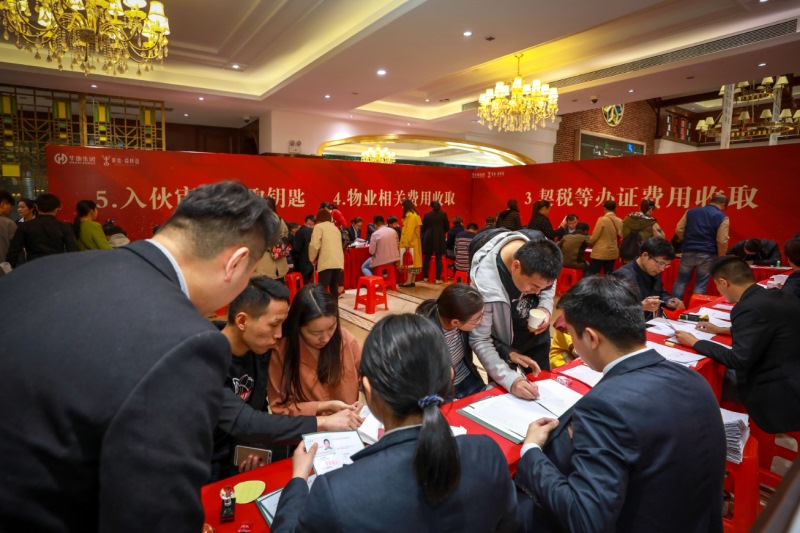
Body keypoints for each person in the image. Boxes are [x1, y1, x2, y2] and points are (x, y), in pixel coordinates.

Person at [0, 181, 279, 532]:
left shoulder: (37, 272)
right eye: (252, 272)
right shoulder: (186, 341)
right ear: (236, 263)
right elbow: (153, 514)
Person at [515, 276, 727, 533]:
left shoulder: (604, 406)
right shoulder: (693, 378)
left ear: (591, 338)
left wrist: (532, 451)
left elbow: (585, 521)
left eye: (571, 335)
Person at [272, 314, 518, 532]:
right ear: (447, 378)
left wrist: (298, 480)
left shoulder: (335, 492)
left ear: (368, 389)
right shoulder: (487, 452)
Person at [211, 277, 361, 480]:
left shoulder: (260, 350)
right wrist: (324, 421)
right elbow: (248, 421)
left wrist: (256, 449)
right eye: (274, 324)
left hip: (246, 450)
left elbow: (259, 414)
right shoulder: (206, 362)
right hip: (206, 460)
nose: (279, 334)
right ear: (242, 321)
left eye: (283, 323)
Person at [675, 257, 800, 434]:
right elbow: (766, 327)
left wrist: (695, 342)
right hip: (792, 372)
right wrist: (720, 330)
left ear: (723, 282)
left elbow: (737, 360)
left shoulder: (747, 308)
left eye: (717, 286)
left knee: (706, 382)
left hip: (774, 389)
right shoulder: (779, 296)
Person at [470, 233, 562, 398]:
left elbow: (548, 284)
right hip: (500, 349)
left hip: (536, 339)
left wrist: (545, 307)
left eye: (542, 288)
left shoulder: (542, 249)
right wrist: (511, 380)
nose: (537, 292)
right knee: (507, 398)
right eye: (533, 286)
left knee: (543, 393)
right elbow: (480, 339)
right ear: (515, 266)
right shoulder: (485, 287)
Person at [268, 284, 361, 416]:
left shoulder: (345, 339)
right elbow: (280, 408)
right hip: (307, 428)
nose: (326, 338)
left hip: (349, 424)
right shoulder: (281, 351)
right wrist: (322, 407)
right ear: (297, 326)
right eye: (315, 333)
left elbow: (367, 377)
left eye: (332, 327)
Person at [416, 284, 487, 398]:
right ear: (455, 322)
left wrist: (507, 352)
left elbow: (486, 338)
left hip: (466, 375)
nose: (481, 320)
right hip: (441, 386)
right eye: (477, 318)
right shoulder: (425, 335)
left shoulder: (459, 317)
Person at [671, 194, 730, 301]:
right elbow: (722, 240)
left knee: (681, 281)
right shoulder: (722, 217)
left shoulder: (690, 212)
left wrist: (688, 240)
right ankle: (694, 308)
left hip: (688, 251)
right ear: (723, 204)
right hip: (707, 254)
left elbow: (679, 229)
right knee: (700, 284)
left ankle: (673, 305)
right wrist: (721, 256)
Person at [611, 237, 684, 319]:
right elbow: (612, 309)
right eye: (660, 263)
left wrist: (669, 301)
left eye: (666, 265)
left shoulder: (653, 270)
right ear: (645, 255)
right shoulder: (622, 276)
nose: (662, 269)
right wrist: (641, 307)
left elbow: (659, 292)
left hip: (652, 321)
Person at [6, 193, 77, 267]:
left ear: (36, 207)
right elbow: (72, 251)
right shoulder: (65, 226)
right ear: (56, 208)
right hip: (57, 266)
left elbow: (13, 251)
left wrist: (10, 268)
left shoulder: (25, 226)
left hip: (33, 266)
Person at [309, 208, 345, 295]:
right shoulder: (335, 228)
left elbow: (314, 245)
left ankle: (323, 305)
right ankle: (334, 304)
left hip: (326, 262)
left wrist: (312, 258)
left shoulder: (318, 227)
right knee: (334, 288)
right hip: (338, 262)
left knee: (322, 289)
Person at [255, 196, 290, 281]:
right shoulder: (279, 219)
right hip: (279, 259)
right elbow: (285, 234)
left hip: (264, 262)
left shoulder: (257, 221)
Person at [586, 199, 622, 276]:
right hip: (612, 253)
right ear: (615, 209)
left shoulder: (602, 220)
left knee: (594, 275)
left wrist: (588, 241)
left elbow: (595, 237)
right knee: (608, 275)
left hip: (600, 252)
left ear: (604, 208)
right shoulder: (619, 221)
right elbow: (621, 235)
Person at [421, 200, 450, 284]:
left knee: (427, 258)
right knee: (438, 258)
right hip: (439, 238)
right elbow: (447, 227)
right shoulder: (443, 214)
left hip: (428, 238)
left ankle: (425, 277)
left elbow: (423, 228)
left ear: (431, 207)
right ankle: (437, 279)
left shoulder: (427, 215)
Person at [398, 198, 422, 287]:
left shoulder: (410, 216)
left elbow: (409, 231)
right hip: (414, 242)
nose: (402, 208)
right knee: (414, 263)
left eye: (402, 206)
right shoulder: (415, 214)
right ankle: (412, 281)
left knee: (409, 263)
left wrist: (407, 243)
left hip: (410, 243)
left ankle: (408, 282)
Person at [291, 215, 315, 284]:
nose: (310, 226)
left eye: (312, 224)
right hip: (312, 262)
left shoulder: (300, 232)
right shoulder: (315, 232)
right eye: (309, 224)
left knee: (303, 283)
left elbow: (296, 248)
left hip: (302, 263)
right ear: (305, 223)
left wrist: (291, 252)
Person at [0, 190, 17, 267]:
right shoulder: (8, 223)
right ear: (2, 205)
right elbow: (16, 249)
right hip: (4, 268)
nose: (10, 209)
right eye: (10, 206)